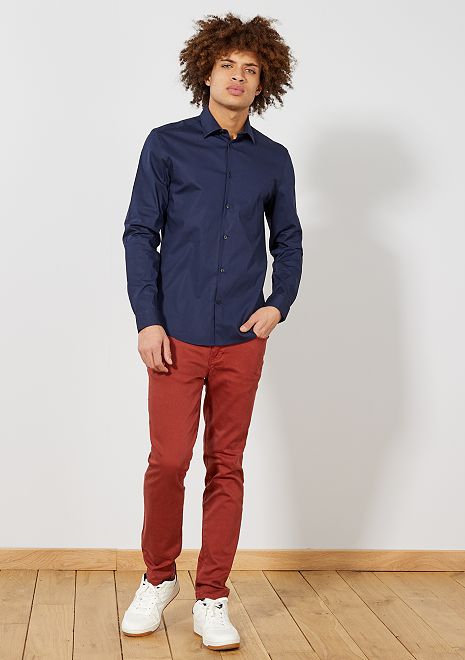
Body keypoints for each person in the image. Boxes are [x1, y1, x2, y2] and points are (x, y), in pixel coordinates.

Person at [120, 12, 303, 651]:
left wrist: (278, 304)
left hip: (241, 340)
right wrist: (148, 319)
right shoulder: (166, 145)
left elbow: (288, 238)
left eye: (251, 69)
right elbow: (139, 233)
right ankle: (158, 577)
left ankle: (212, 596)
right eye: (228, 65)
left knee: (227, 465)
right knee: (168, 461)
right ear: (206, 71)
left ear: (264, 83)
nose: (238, 77)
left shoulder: (273, 159)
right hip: (175, 336)